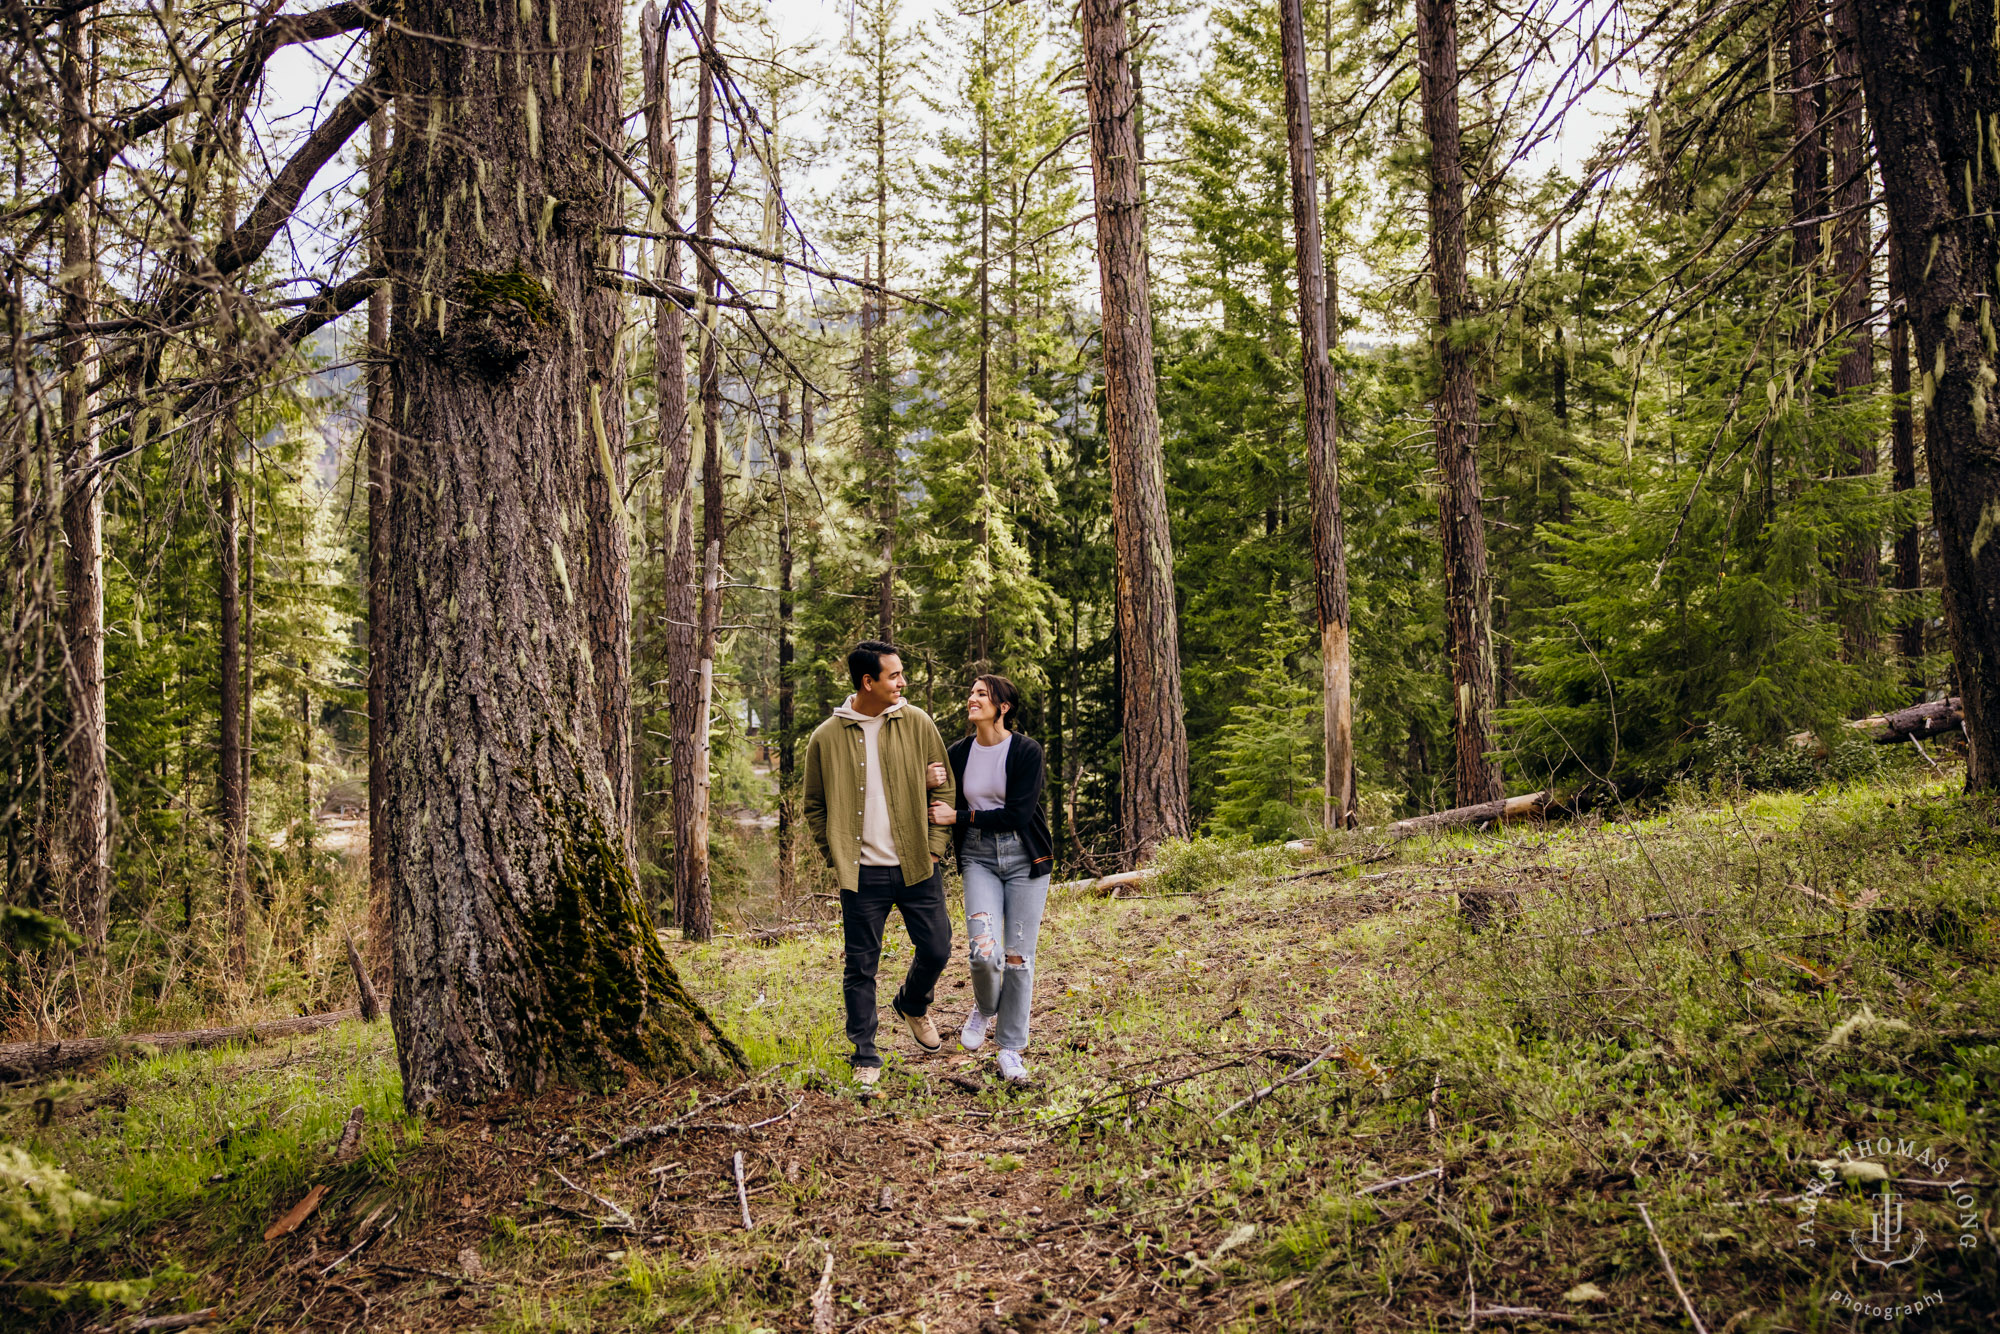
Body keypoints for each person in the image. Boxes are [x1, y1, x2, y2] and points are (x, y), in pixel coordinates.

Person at [802, 641, 956, 1091]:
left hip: (916, 865)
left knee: (938, 948)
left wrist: (933, 849)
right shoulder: (826, 737)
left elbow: (943, 788)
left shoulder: (917, 723)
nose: (902, 683)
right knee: (860, 966)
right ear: (868, 682)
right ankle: (865, 1055)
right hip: (862, 873)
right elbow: (814, 806)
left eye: (901, 674)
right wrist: (836, 856)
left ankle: (912, 1002)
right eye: (894, 676)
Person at [928, 675, 1054, 1084]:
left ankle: (1011, 1050)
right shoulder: (958, 753)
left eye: (982, 694)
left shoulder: (1026, 751)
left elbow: (1017, 814)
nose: (972, 698)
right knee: (983, 952)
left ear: (1003, 707)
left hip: (1023, 858)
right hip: (978, 856)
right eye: (972, 691)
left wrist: (959, 816)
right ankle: (985, 1007)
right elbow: (935, 793)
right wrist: (928, 780)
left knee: (1018, 960)